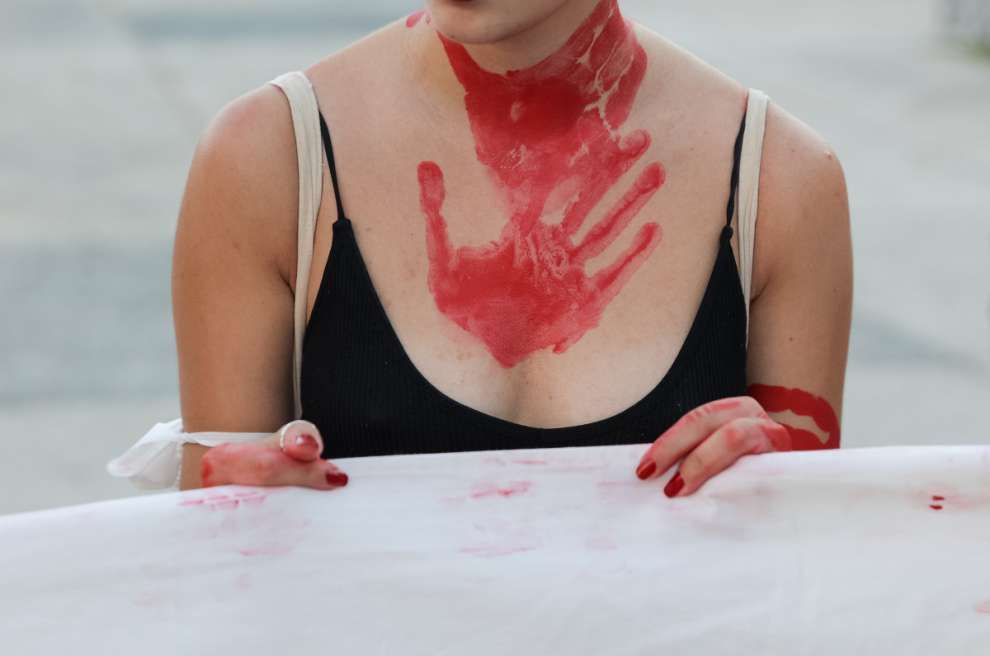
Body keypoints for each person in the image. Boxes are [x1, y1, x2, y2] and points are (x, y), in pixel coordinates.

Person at [167, 0, 851, 495]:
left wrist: (783, 481)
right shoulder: (269, 158)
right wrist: (240, 504)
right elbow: (208, 570)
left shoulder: (780, 180)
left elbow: (804, 579)